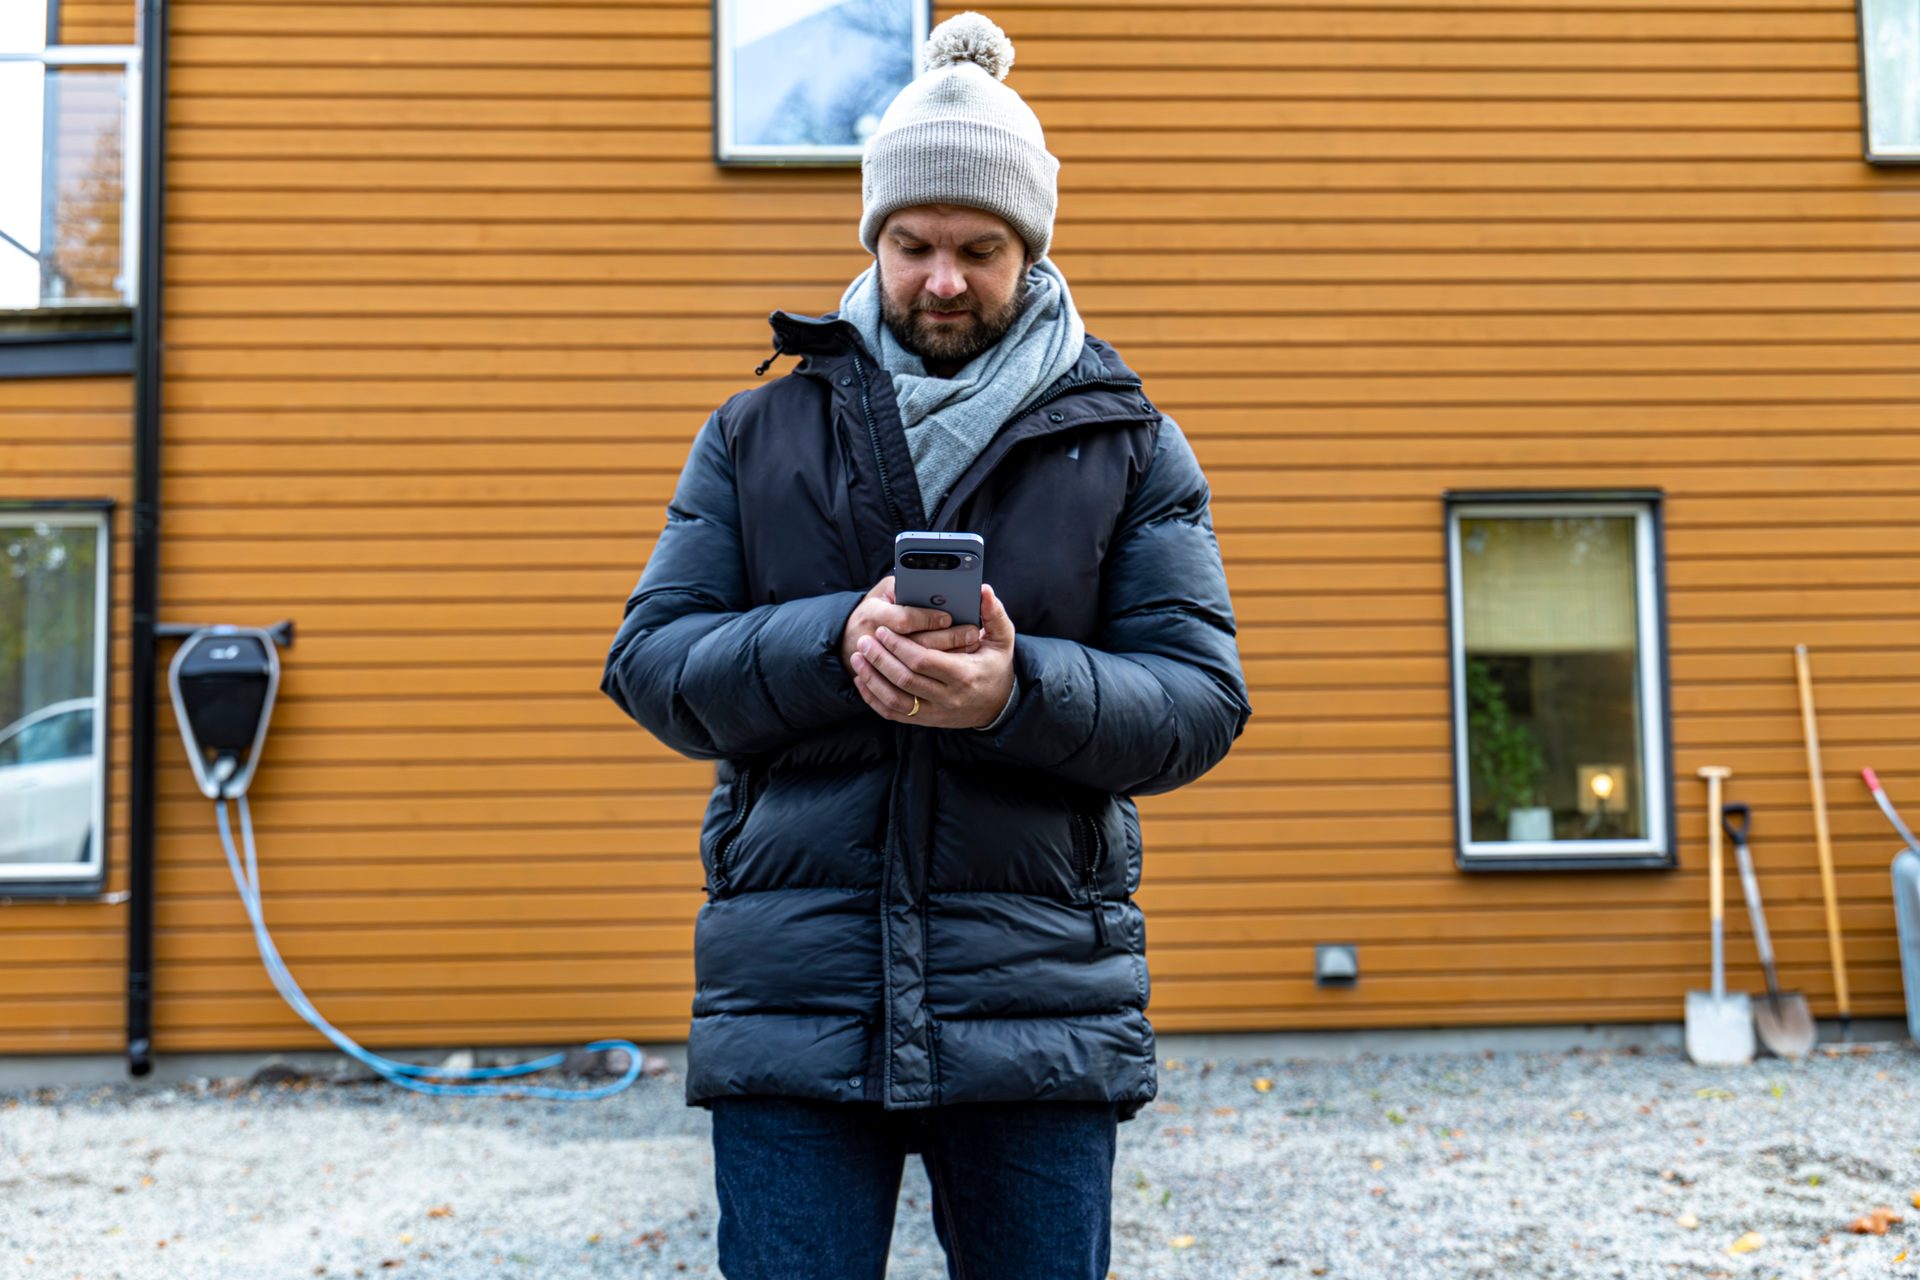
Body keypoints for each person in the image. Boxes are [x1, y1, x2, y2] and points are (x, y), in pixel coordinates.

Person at [600, 11, 1250, 1277]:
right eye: (913, 244)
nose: (942, 278)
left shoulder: (1130, 443)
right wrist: (828, 645)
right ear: (873, 240)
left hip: (1040, 1007)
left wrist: (1020, 689)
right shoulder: (753, 433)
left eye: (978, 247)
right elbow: (652, 661)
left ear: (1032, 247)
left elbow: (1200, 699)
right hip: (797, 999)